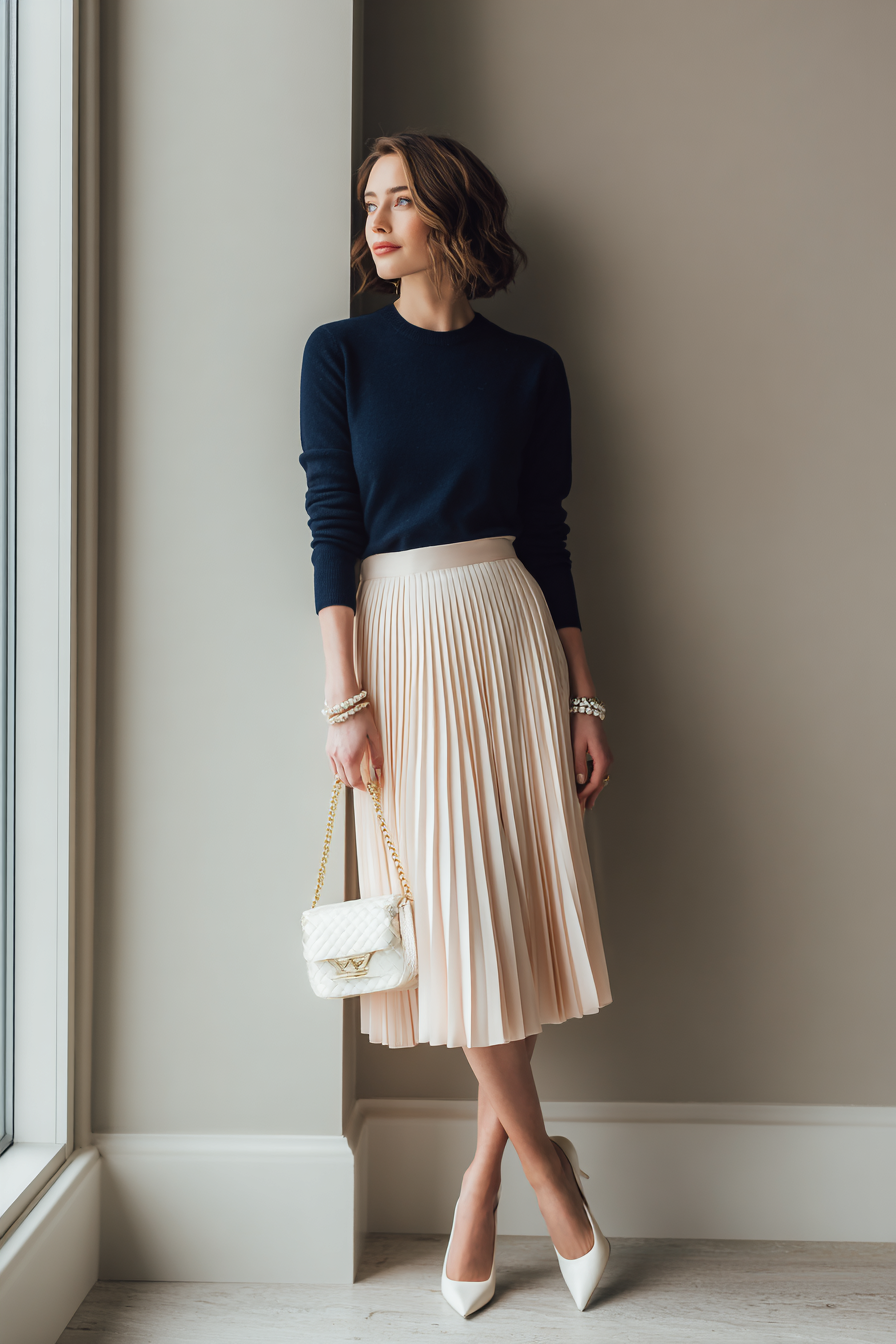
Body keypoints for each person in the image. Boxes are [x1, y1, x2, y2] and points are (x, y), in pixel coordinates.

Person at [299, 133, 613, 1317]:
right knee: (450, 913)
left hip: (507, 633)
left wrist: (584, 695)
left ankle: (482, 1178)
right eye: (368, 205)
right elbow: (331, 525)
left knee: (500, 915)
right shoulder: (338, 355)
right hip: (398, 639)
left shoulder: (531, 369)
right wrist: (344, 696)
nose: (376, 225)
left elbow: (550, 537)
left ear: (450, 219)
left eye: (400, 203)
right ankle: (547, 1174)